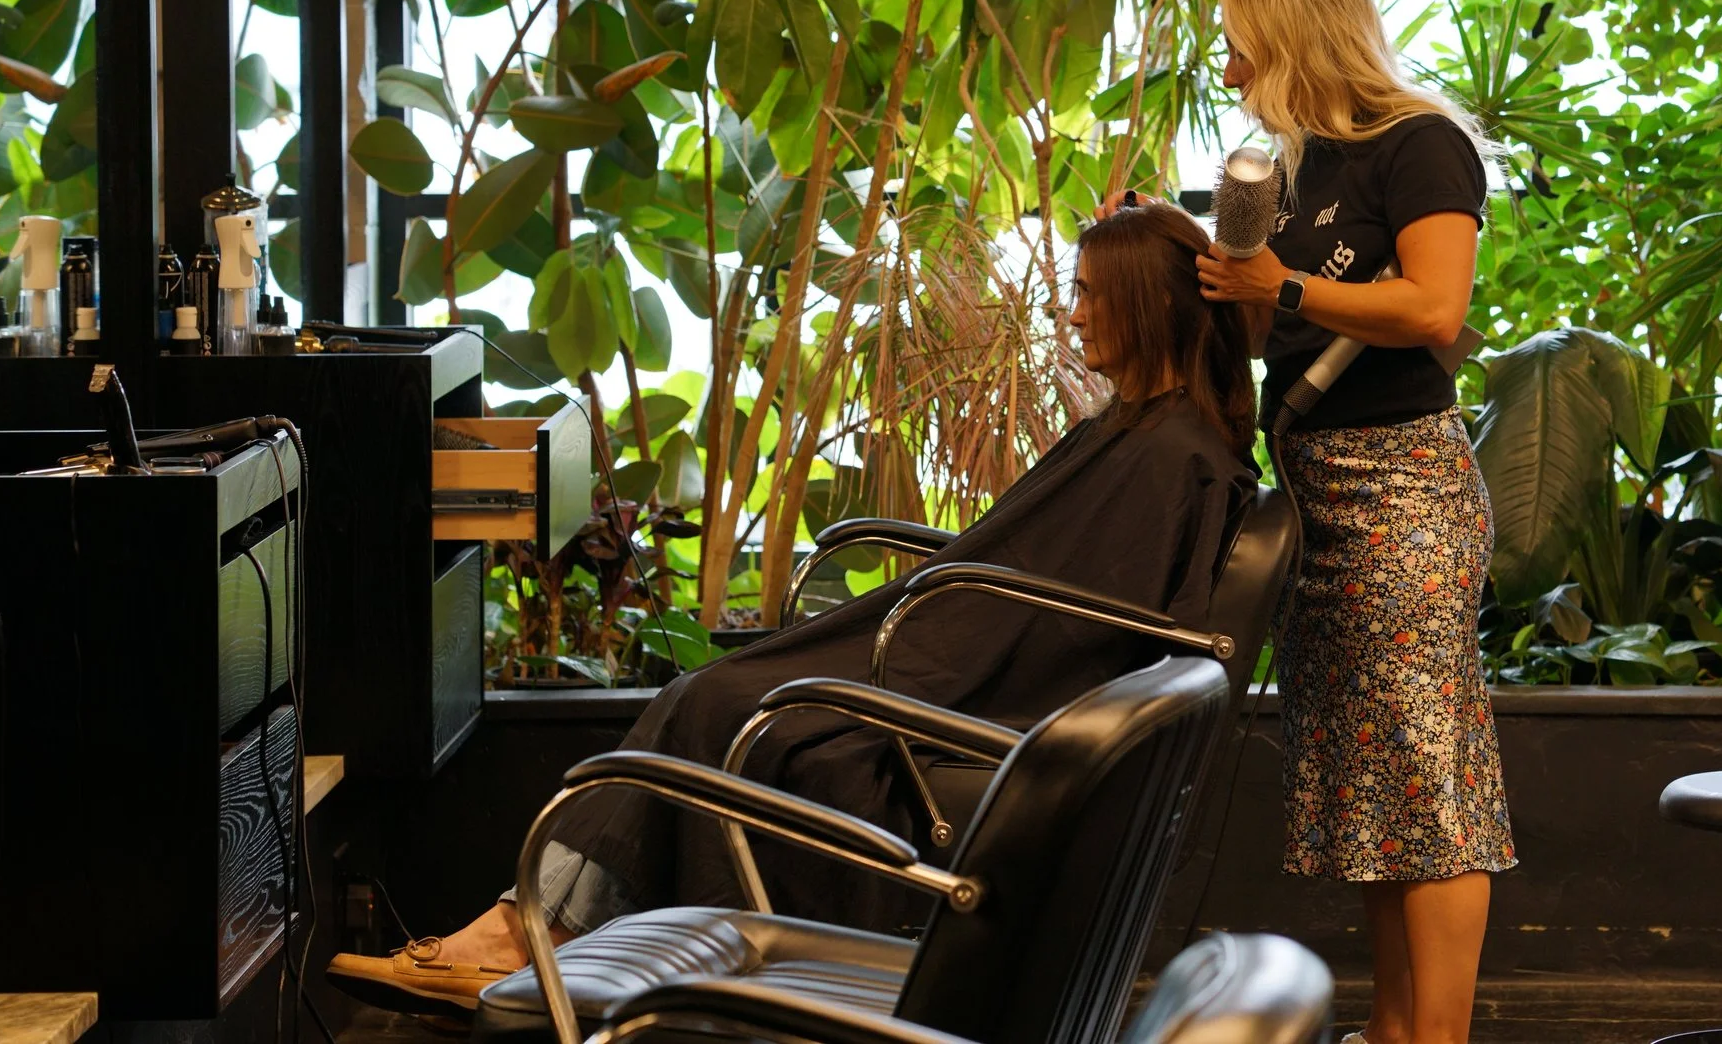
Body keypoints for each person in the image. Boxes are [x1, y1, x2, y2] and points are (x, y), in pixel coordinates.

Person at [327, 201, 1259, 1019]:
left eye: (1093, 292)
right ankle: (531, 933)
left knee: (724, 705)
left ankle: (529, 934)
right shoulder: (1149, 433)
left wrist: (927, 648)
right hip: (960, 647)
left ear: (1147, 303)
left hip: (994, 694)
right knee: (719, 692)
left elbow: (1077, 626)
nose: (1073, 310)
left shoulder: (1171, 457)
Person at [1189, 0, 1516, 1044]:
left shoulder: (1419, 147)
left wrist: (1277, 280)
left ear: (1289, 33)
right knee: (1373, 786)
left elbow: (1432, 309)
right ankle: (1393, 1028)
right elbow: (1269, 328)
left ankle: (1440, 1038)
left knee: (1429, 778)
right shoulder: (1293, 170)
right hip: (1316, 497)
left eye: (1237, 41)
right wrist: (1191, 258)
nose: (1225, 67)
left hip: (1404, 491)